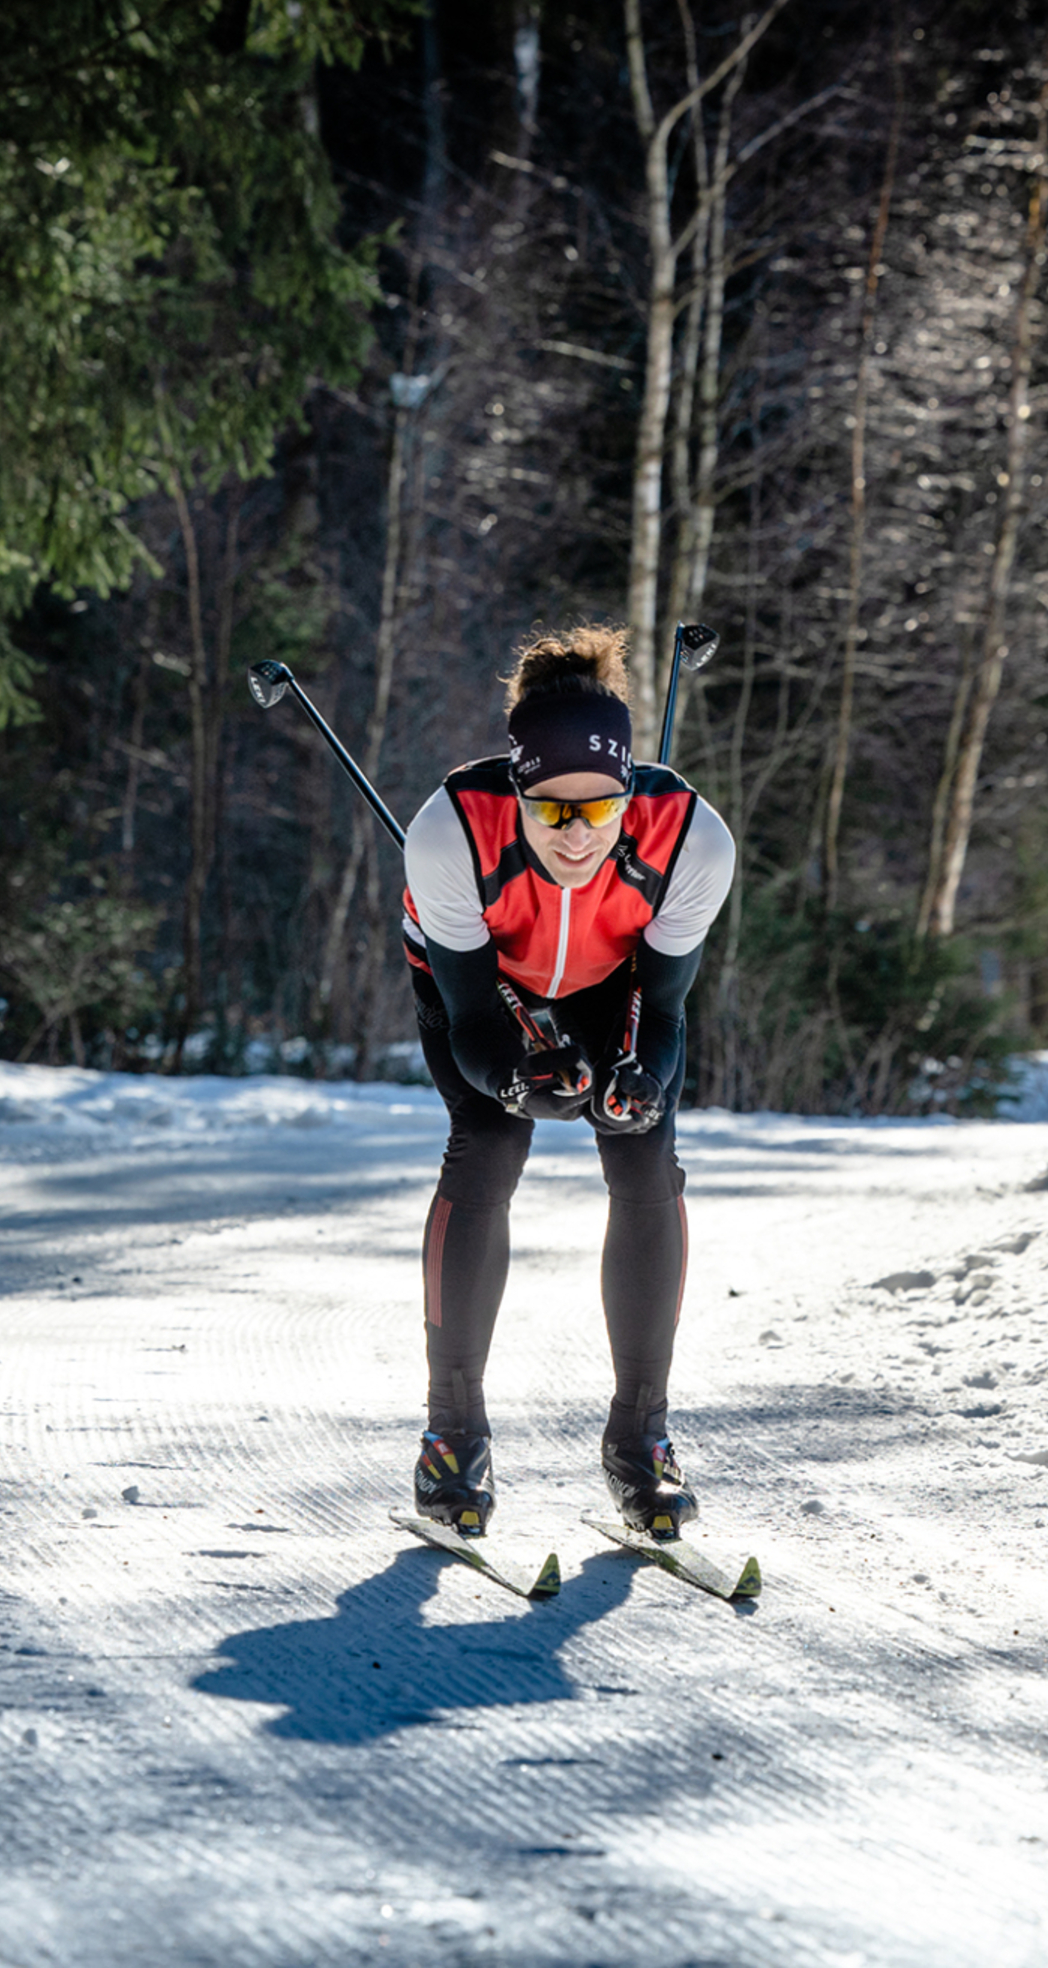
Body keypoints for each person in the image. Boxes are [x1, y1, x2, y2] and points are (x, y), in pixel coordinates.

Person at [399, 625, 734, 1540]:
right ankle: (452, 1438)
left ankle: (642, 1442)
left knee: (643, 1152)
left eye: (600, 811)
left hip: (611, 982)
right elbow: (470, 1022)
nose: (578, 836)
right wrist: (514, 1077)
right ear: (520, 793)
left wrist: (645, 1083)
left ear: (631, 796)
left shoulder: (694, 842)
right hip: (480, 986)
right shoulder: (449, 832)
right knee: (490, 1146)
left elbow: (661, 1015)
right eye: (553, 812)